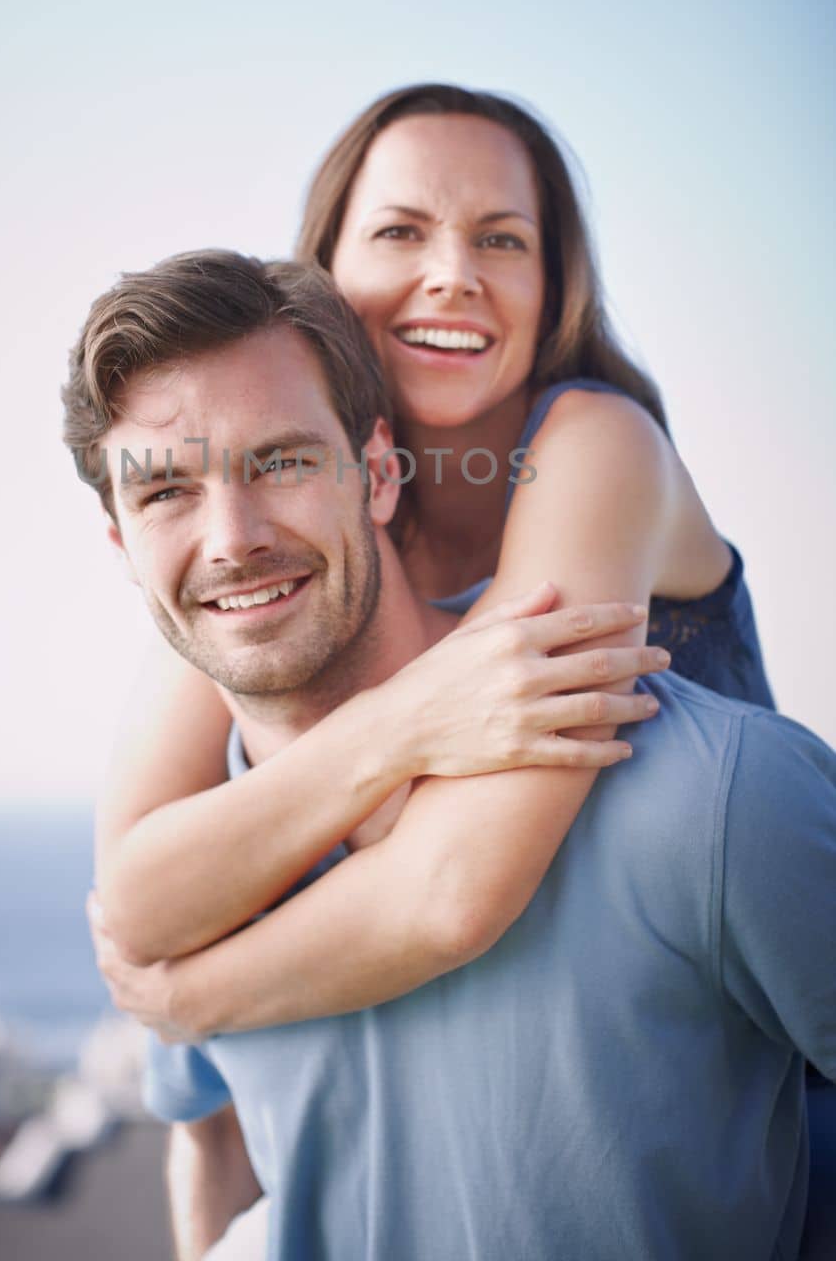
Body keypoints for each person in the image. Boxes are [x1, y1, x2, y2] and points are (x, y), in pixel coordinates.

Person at [64, 251, 836, 1259]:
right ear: (121, 544)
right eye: (165, 489)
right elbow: (205, 1134)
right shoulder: (204, 864)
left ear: (378, 473)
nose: (231, 537)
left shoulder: (713, 794)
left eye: (283, 461)